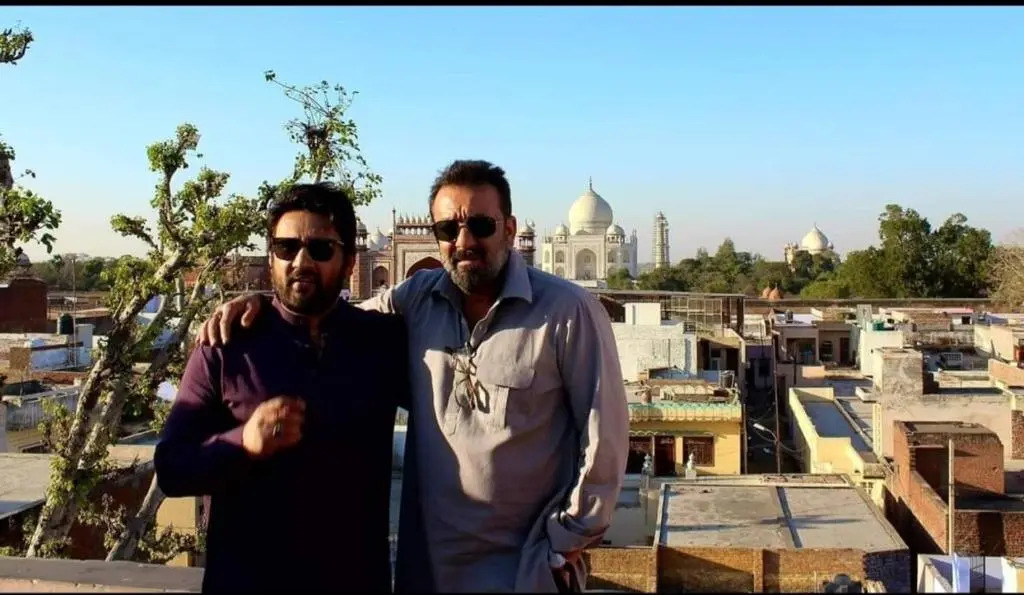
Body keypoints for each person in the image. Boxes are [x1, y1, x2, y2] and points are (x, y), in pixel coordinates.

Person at [197, 160, 629, 592]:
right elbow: (333, 317)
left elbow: (604, 433)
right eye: (448, 229)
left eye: (481, 226)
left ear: (511, 230)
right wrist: (262, 305)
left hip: (521, 571)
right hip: (426, 571)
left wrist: (567, 541)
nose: (464, 242)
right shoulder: (419, 299)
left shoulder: (567, 311)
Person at [155, 183, 408, 593]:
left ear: (349, 262)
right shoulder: (226, 345)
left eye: (320, 249)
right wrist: (242, 443)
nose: (301, 262)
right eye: (286, 248)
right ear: (271, 256)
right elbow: (171, 468)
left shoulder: (383, 342)